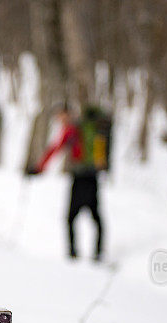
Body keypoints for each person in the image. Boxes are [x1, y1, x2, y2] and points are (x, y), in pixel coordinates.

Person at [26, 103, 112, 261]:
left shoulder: (72, 130)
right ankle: (97, 253)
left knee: (71, 216)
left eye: (61, 116)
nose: (60, 120)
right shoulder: (87, 128)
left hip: (80, 177)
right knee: (95, 216)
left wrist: (39, 168)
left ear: (68, 114)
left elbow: (55, 149)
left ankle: (73, 254)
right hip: (92, 176)